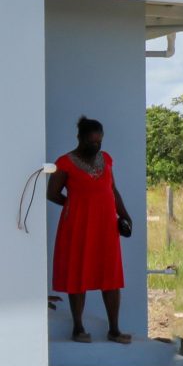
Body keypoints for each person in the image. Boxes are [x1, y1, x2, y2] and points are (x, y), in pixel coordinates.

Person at [48, 115, 134, 344]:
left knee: (111, 275)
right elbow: (52, 193)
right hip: (77, 225)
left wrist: (124, 214)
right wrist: (74, 204)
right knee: (78, 273)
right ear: (79, 138)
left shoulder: (105, 159)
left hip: (106, 225)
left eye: (99, 141)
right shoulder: (64, 163)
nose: (95, 145)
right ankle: (78, 328)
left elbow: (112, 189)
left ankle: (114, 330)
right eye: (91, 141)